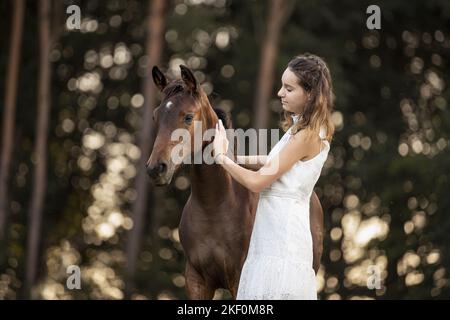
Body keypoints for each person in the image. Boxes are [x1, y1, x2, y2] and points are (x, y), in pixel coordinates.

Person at [213, 53, 334, 299]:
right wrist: (233, 156)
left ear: (309, 94)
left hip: (283, 246)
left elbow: (257, 182)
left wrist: (221, 159)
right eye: (282, 86)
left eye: (289, 88)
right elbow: (271, 164)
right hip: (269, 242)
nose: (280, 93)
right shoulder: (299, 130)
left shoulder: (306, 136)